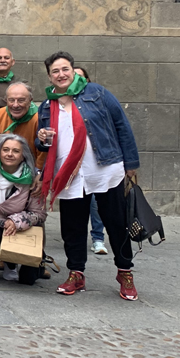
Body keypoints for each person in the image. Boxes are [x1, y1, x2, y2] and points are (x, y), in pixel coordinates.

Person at [37, 51, 140, 300]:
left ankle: (125, 272)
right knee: (72, 228)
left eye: (65, 69)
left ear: (73, 71)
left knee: (116, 224)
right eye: (55, 71)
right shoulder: (47, 105)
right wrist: (42, 139)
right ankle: (76, 273)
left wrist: (131, 163)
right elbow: (43, 143)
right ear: (50, 77)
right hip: (69, 176)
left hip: (105, 170)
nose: (61, 74)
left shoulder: (97, 93)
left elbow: (121, 125)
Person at [0, 134, 46, 285]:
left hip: (19, 227)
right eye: (5, 150)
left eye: (16, 151)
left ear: (23, 156)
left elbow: (39, 214)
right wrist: (3, 222)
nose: (10, 154)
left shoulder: (33, 179)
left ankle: (11, 264)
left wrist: (15, 221)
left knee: (28, 280)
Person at [72, 66, 107, 256]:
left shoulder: (97, 101)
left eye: (80, 77)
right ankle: (76, 242)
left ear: (87, 80)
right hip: (73, 162)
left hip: (95, 161)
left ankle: (98, 238)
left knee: (95, 202)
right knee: (76, 204)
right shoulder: (62, 102)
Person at [0, 82, 47, 170]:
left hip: (31, 170)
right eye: (11, 100)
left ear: (30, 101)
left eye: (21, 100)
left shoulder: (39, 119)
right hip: (1, 168)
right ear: (6, 100)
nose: (15, 105)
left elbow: (42, 154)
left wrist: (38, 172)